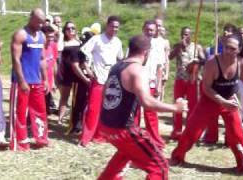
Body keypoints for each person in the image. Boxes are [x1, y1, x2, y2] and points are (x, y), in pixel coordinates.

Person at [171, 34, 243, 173]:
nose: (227, 51)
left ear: (239, 49)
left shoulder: (241, 62)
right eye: (226, 47)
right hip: (209, 101)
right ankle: (177, 157)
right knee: (192, 133)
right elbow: (206, 88)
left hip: (229, 100)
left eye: (232, 48)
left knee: (237, 136)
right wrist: (222, 101)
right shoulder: (212, 63)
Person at [97, 35, 188, 180]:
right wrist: (175, 108)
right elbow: (147, 102)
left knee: (124, 156)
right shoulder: (138, 70)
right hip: (124, 129)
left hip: (106, 126)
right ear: (147, 52)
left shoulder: (116, 67)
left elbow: (104, 95)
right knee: (160, 167)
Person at [79, 15, 123, 146]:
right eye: (112, 26)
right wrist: (88, 70)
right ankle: (85, 138)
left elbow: (120, 59)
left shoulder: (118, 42)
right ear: (107, 26)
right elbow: (82, 53)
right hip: (98, 79)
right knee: (93, 109)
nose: (114, 29)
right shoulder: (97, 39)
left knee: (107, 110)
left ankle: (99, 136)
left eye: (117, 27)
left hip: (111, 81)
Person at [9, 8, 49, 151]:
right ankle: (21, 142)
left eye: (42, 22)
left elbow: (43, 59)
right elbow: (16, 59)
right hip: (22, 81)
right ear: (31, 17)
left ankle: (41, 139)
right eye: (38, 21)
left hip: (36, 81)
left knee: (40, 110)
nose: (40, 25)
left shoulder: (42, 36)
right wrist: (21, 81)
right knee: (19, 113)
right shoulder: (21, 34)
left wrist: (45, 79)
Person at [203, 23, 238, 143]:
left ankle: (231, 140)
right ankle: (211, 137)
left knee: (232, 119)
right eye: (225, 31)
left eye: (229, 31)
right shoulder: (213, 48)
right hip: (214, 86)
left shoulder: (236, 49)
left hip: (229, 86)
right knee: (212, 116)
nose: (226, 33)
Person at [169, 26, 205, 139]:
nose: (185, 36)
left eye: (187, 34)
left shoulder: (197, 47)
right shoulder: (177, 46)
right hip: (180, 78)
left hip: (192, 79)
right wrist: (178, 47)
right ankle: (177, 130)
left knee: (193, 106)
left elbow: (204, 60)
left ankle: (190, 131)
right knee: (177, 104)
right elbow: (170, 57)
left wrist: (197, 61)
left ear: (191, 35)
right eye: (183, 34)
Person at [140, 20, 166, 149]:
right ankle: (135, 138)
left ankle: (155, 139)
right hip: (137, 82)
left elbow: (160, 67)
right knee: (135, 113)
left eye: (152, 30)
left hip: (150, 82)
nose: (149, 32)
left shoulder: (159, 44)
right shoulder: (136, 43)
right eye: (147, 30)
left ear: (155, 31)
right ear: (143, 29)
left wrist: (158, 84)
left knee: (151, 113)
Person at [57, 21, 81, 124]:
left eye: (73, 28)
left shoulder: (80, 42)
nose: (71, 30)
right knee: (64, 97)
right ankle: (60, 117)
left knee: (77, 97)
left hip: (77, 72)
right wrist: (61, 36)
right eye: (68, 28)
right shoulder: (63, 42)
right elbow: (59, 50)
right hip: (66, 73)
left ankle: (74, 117)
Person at [41, 25, 58, 115]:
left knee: (46, 106)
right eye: (48, 37)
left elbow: (54, 63)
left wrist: (54, 82)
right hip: (40, 82)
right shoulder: (39, 48)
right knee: (39, 106)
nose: (51, 39)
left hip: (49, 81)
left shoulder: (52, 45)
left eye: (52, 36)